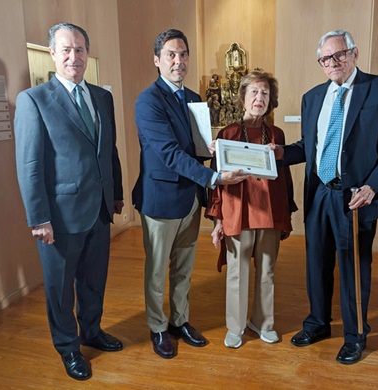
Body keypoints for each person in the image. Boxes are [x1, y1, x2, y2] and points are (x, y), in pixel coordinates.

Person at [271, 30, 378, 364]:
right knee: (316, 263)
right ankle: (318, 323)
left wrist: (373, 187)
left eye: (338, 55)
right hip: (319, 193)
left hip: (355, 197)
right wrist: (279, 153)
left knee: (353, 268)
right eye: (325, 59)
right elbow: (310, 147)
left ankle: (355, 335)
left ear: (354, 53)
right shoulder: (313, 97)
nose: (332, 63)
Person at [14, 23, 124, 381]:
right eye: (66, 50)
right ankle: (68, 347)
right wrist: (38, 218)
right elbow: (29, 165)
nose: (73, 56)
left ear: (87, 54)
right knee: (60, 289)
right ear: (52, 54)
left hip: (100, 210)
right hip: (58, 217)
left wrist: (117, 193)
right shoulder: (34, 100)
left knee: (94, 280)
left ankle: (91, 330)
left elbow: (109, 151)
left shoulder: (102, 96)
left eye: (79, 49)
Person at [132, 29, 248, 360]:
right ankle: (157, 327)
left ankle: (179, 321)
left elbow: (193, 148)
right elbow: (168, 152)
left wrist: (214, 151)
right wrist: (214, 176)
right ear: (157, 60)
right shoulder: (148, 100)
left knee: (183, 267)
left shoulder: (194, 98)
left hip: (189, 198)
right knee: (157, 271)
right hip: (160, 199)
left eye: (183, 54)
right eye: (171, 54)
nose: (178, 60)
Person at [205, 70, 297, 349]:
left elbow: (285, 179)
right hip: (238, 212)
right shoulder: (227, 134)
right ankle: (236, 326)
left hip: (269, 213)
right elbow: (216, 182)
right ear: (243, 98)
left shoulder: (277, 134)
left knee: (267, 270)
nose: (260, 98)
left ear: (272, 100)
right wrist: (217, 220)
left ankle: (263, 322)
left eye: (266, 93)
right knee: (237, 271)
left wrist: (286, 214)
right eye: (254, 92)